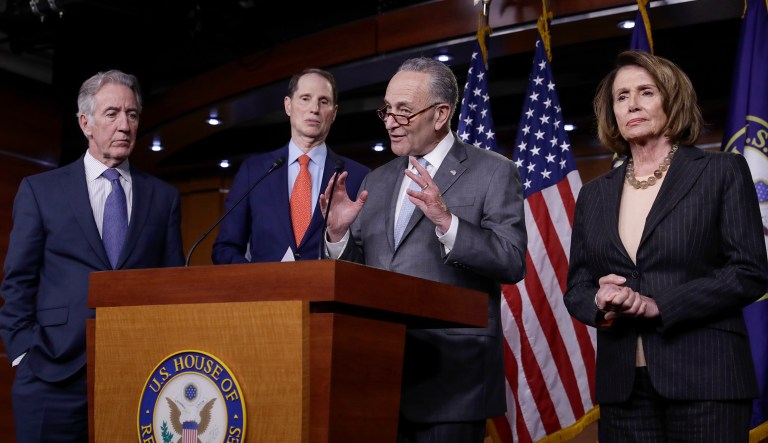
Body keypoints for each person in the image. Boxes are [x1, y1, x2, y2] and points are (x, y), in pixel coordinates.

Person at [564, 50, 768, 441]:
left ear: (671, 100)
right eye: (621, 97)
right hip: (623, 386)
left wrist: (660, 304)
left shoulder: (720, 172)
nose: (632, 104)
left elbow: (749, 272)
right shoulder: (593, 195)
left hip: (707, 379)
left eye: (646, 92)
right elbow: (577, 287)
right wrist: (599, 300)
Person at [321, 57, 527, 443]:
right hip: (379, 378)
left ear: (440, 114)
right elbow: (361, 277)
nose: (390, 120)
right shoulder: (377, 180)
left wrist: (447, 222)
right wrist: (337, 237)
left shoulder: (494, 172)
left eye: (404, 110)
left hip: (452, 380)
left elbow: (511, 260)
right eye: (387, 110)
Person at [0, 70, 185, 442]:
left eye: (132, 114)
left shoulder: (163, 198)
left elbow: (172, 288)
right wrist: (22, 350)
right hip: (51, 372)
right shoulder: (41, 190)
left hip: (137, 376)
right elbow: (18, 280)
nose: (124, 125)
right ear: (85, 123)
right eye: (112, 113)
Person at [212, 68, 369, 263]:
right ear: (288, 105)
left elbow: (367, 258)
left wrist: (338, 239)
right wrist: (256, 282)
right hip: (265, 292)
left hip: (326, 291)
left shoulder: (358, 177)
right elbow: (226, 248)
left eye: (324, 101)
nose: (314, 108)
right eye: (305, 98)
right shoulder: (254, 171)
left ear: (334, 113)